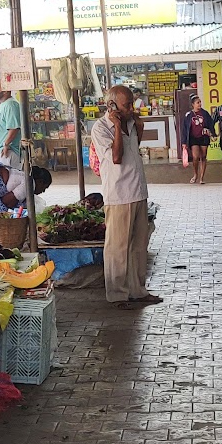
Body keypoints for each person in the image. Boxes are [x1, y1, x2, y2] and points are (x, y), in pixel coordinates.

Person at [90, 86, 160, 309]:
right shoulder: (101, 129)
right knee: (117, 247)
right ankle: (117, 294)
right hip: (118, 194)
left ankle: (138, 290)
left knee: (138, 246)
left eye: (131, 103)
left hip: (138, 191)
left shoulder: (131, 123)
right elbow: (117, 157)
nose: (131, 108)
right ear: (111, 106)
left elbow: (134, 149)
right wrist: (118, 126)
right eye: (126, 105)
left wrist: (135, 124)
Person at [184, 98, 215, 185]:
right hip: (193, 138)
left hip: (204, 137)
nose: (199, 104)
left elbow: (211, 124)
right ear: (193, 104)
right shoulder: (189, 115)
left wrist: (212, 133)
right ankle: (195, 174)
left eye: (200, 102)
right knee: (195, 157)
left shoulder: (205, 113)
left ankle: (201, 177)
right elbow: (185, 129)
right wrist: (184, 142)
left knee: (203, 156)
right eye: (198, 103)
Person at [0, 88, 23, 171]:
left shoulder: (11, 104)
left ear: (5, 90)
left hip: (8, 152)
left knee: (10, 181)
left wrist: (6, 144)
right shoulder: (4, 104)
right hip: (3, 152)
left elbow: (14, 128)